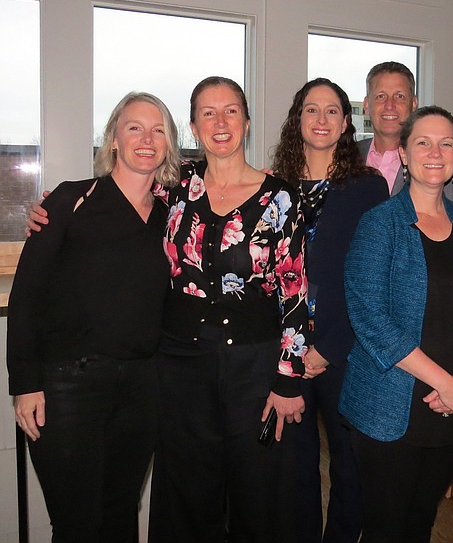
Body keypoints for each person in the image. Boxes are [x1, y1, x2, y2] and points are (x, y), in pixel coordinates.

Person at [8, 92, 181, 542]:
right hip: (68, 389)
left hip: (141, 390)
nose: (147, 138)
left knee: (120, 514)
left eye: (158, 129)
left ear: (169, 143)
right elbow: (27, 297)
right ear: (114, 140)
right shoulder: (70, 201)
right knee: (76, 521)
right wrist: (25, 384)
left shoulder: (174, 216)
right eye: (134, 127)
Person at [146, 76, 308, 542]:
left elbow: (293, 292)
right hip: (181, 366)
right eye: (208, 113)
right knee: (187, 495)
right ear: (194, 127)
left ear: (248, 122)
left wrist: (287, 379)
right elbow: (118, 195)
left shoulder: (280, 197)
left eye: (231, 110)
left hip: (254, 368)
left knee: (257, 494)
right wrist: (60, 205)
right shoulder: (172, 189)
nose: (221, 122)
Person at [340, 105, 453, 543]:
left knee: (420, 522)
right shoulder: (379, 224)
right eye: (423, 142)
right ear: (405, 155)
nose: (435, 151)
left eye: (446, 143)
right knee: (386, 528)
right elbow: (369, 317)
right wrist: (443, 383)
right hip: (391, 406)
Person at [272, 78, 388, 542]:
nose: (321, 119)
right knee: (293, 467)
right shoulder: (272, 188)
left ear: (346, 122)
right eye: (311, 110)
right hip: (284, 351)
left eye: (332, 111)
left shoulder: (368, 188)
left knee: (349, 463)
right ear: (297, 119)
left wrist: (329, 346)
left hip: (346, 348)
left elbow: (370, 276)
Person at [358, 61, 453, 203]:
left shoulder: (437, 161)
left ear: (414, 103)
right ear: (366, 104)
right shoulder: (347, 155)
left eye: (399, 96)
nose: (390, 105)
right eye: (381, 96)